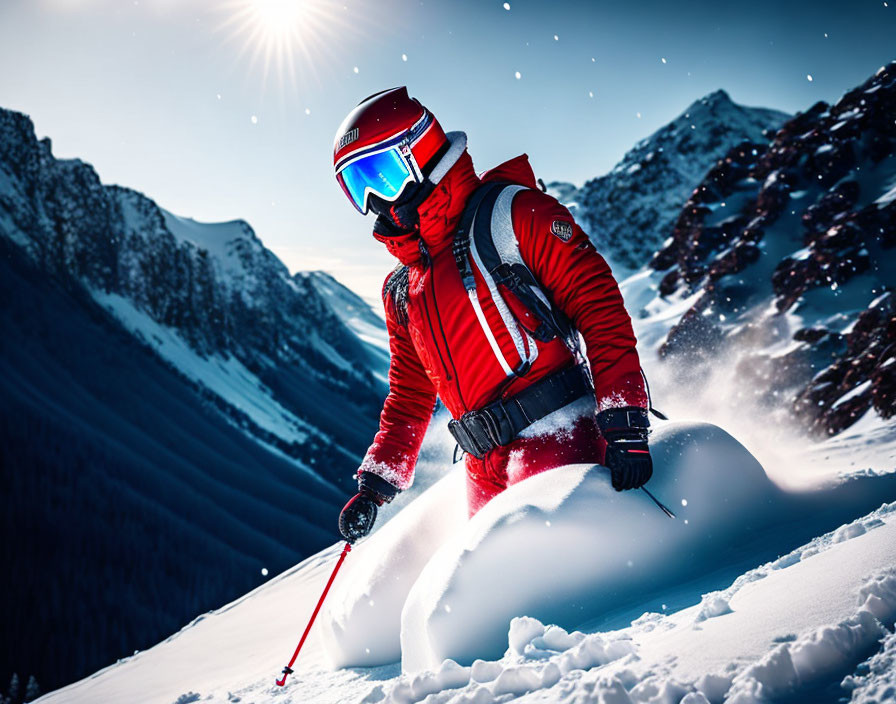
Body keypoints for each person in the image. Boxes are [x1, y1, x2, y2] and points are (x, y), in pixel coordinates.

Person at [334, 87, 653, 543]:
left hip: (559, 436)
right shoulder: (402, 291)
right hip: (482, 467)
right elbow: (410, 395)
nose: (374, 200)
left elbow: (598, 307)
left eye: (381, 175)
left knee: (555, 593)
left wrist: (624, 417)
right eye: (356, 186)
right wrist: (375, 485)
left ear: (420, 153)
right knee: (493, 602)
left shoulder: (512, 215)